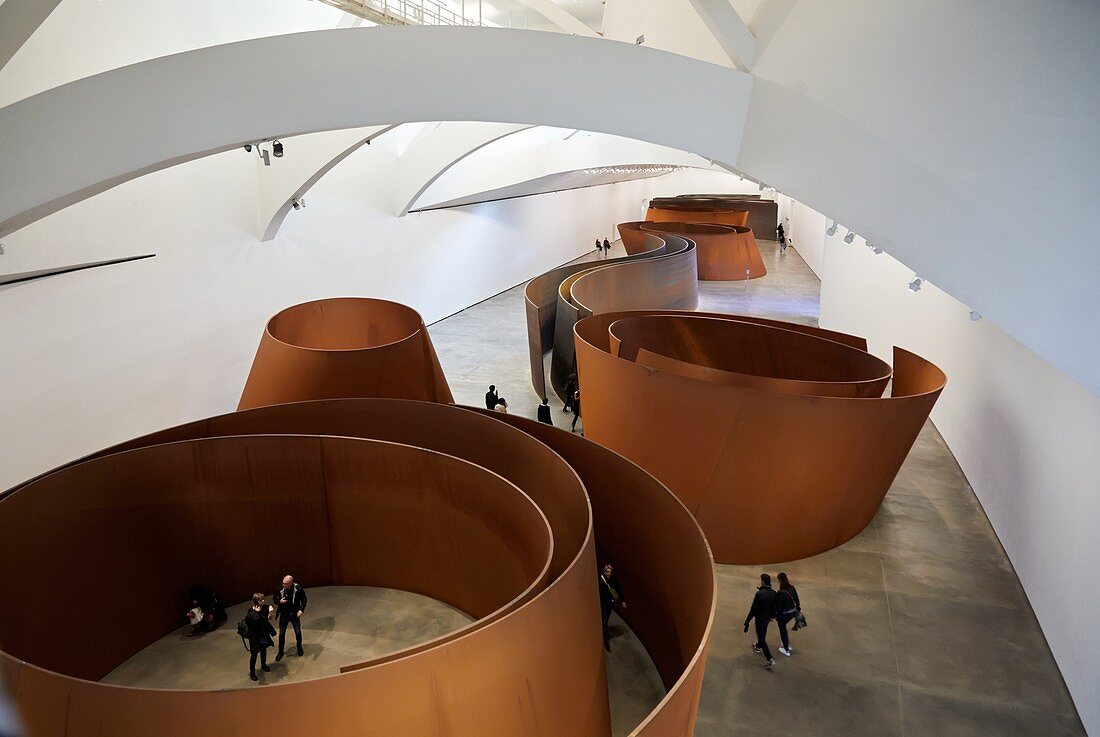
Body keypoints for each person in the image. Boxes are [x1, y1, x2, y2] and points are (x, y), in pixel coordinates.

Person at [743, 573, 779, 669]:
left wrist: (747, 621)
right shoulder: (774, 593)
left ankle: (769, 658)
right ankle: (758, 646)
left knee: (762, 638)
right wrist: (773, 616)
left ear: (762, 581)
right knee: (763, 632)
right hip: (767, 618)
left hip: (760, 618)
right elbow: (775, 607)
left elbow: (753, 609)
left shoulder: (759, 594)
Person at [274, 575, 307, 661]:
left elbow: (304, 599)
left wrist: (301, 610)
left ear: (291, 583)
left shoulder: (298, 589)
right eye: (283, 583)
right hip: (284, 615)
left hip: (294, 614)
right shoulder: (280, 588)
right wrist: (279, 601)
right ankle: (280, 651)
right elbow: (274, 599)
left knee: (298, 632)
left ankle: (299, 647)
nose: (283, 585)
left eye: (286, 584)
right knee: (281, 634)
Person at [244, 592, 276, 681]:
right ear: (256, 601)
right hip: (254, 636)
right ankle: (252, 671)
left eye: (263, 599)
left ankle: (263, 664)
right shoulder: (251, 611)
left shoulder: (265, 607)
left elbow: (267, 619)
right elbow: (253, 623)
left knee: (263, 650)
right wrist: (256, 613)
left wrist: (271, 613)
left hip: (263, 634)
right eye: (260, 600)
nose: (263, 601)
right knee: (254, 654)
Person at [598, 563, 626, 651]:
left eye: (610, 572)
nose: (609, 574)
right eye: (607, 572)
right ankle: (606, 642)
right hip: (603, 602)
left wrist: (623, 600)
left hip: (610, 603)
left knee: (606, 618)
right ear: (604, 572)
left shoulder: (614, 580)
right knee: (604, 619)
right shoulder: (601, 580)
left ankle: (604, 629)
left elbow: (618, 589)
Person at [775, 572, 801, 656]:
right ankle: (788, 645)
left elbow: (778, 605)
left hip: (785, 614)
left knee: (782, 630)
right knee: (784, 629)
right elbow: (797, 600)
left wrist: (775, 615)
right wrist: (798, 609)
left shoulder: (781, 592)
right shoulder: (792, 588)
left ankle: (786, 649)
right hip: (793, 612)